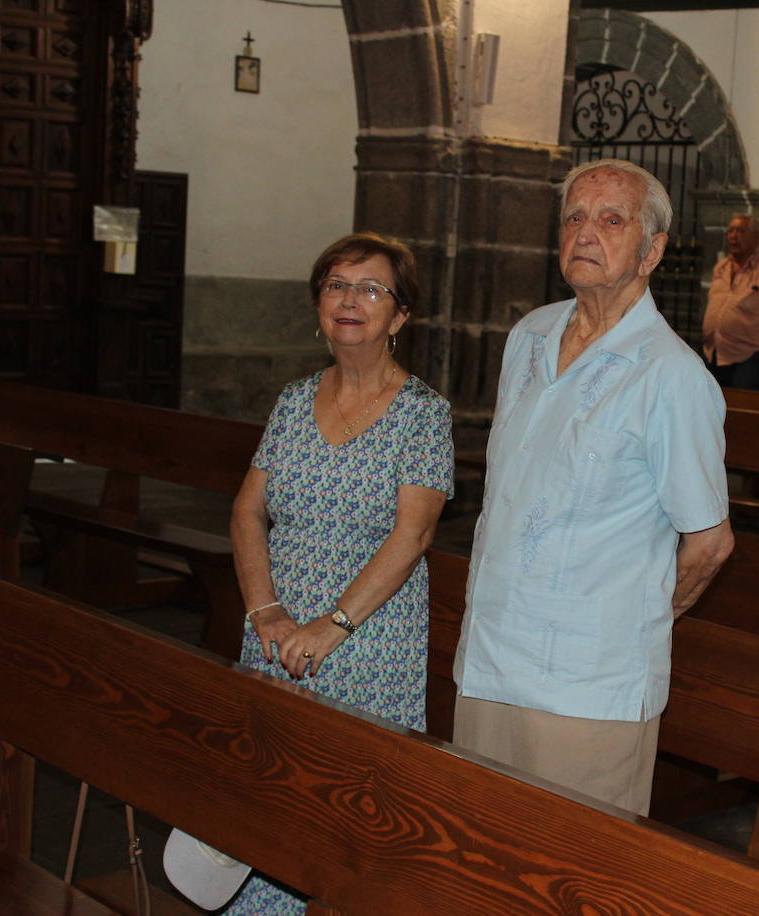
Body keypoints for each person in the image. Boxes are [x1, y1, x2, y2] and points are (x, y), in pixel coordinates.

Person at [452, 159, 734, 816]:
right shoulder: (529, 337)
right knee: (475, 858)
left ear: (652, 250)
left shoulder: (672, 376)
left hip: (587, 684)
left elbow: (710, 543)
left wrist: (633, 622)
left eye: (611, 219)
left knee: (568, 880)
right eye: (574, 217)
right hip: (492, 656)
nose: (586, 232)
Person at [227, 232, 454, 914]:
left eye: (370, 289)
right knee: (262, 812)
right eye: (335, 286)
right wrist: (265, 611)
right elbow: (246, 512)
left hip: (368, 645)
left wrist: (334, 625)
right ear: (317, 305)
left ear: (401, 316)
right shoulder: (295, 401)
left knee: (344, 830)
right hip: (274, 637)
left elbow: (413, 535)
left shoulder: (424, 414)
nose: (349, 300)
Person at [701, 213, 759, 391]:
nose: (733, 236)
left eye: (741, 231)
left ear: (755, 237)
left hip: (750, 359)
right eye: (731, 231)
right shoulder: (721, 267)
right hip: (714, 355)